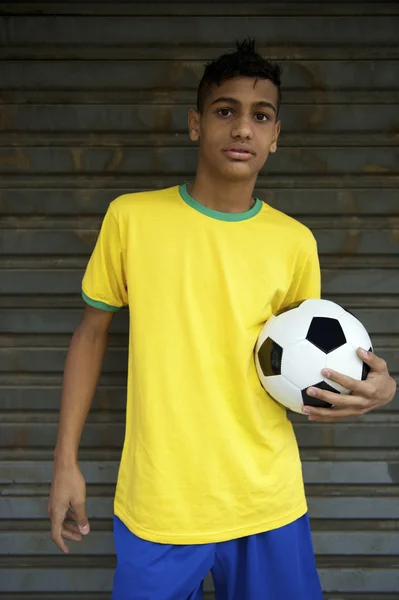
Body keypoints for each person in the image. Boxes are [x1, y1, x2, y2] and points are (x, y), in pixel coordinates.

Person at [48, 39, 396, 600]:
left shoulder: (295, 243)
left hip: (266, 500)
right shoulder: (132, 218)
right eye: (225, 111)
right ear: (195, 124)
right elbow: (91, 334)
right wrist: (65, 462)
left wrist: (378, 388)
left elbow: (316, 365)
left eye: (261, 116)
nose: (242, 129)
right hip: (160, 502)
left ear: (276, 137)